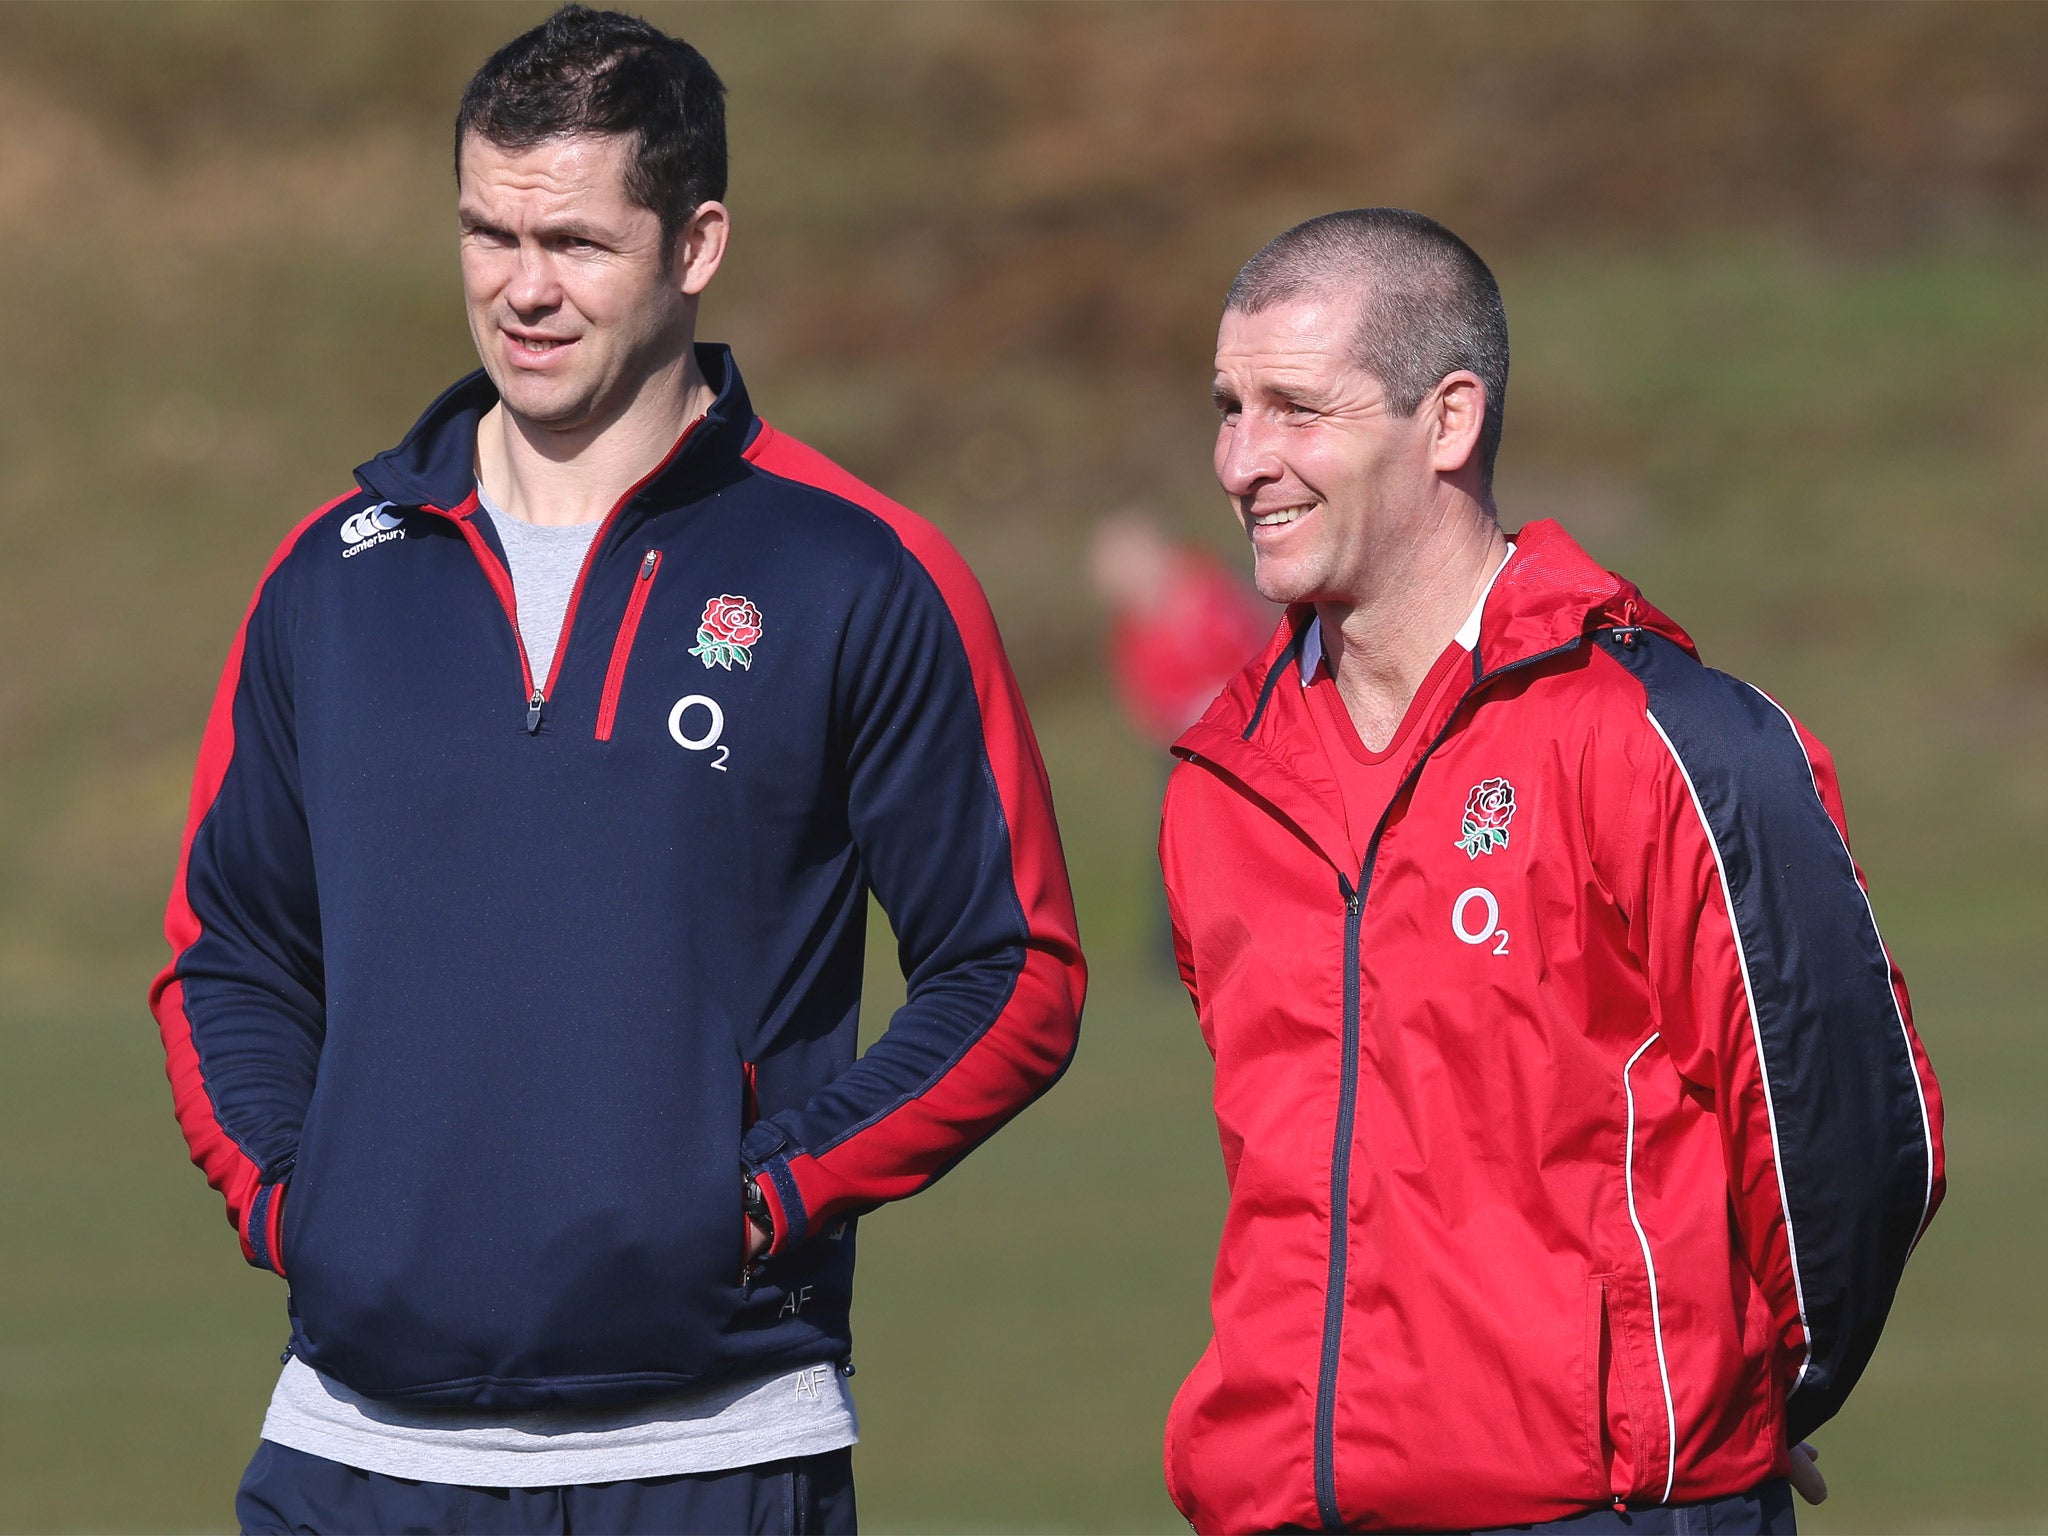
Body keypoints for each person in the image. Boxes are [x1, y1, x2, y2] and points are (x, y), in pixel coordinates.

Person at [147, 9, 1085, 1532]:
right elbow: (228, 954)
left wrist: (754, 1200)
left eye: (576, 241)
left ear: (697, 242)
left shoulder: (860, 572)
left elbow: (1012, 972)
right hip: (347, 1455)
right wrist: (289, 1203)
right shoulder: (330, 573)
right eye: (487, 231)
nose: (522, 288)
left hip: (705, 1458)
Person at [1158, 209, 1944, 1534]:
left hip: (1606, 1512)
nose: (1244, 461)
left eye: (1297, 409)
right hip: (1287, 1508)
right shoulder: (1221, 783)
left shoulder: (1662, 737)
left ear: (1449, 422)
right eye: (1230, 409)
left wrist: (1742, 1410)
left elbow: (1858, 1136)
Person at [1089, 509, 1272, 749]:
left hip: (1259, 706)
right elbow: (1149, 708)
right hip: (1197, 740)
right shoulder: (1128, 640)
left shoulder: (1212, 590)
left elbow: (1256, 638)